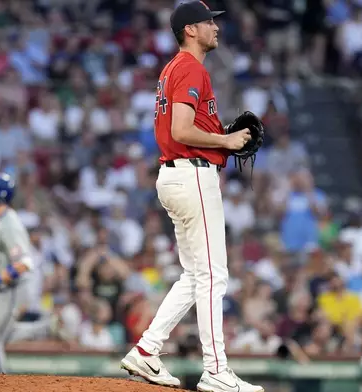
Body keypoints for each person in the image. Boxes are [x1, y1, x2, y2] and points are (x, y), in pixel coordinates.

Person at [119, 2, 261, 392]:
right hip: (191, 174)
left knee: (195, 275)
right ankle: (216, 371)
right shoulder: (190, 67)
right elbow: (181, 129)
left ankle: (147, 351)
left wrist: (222, 139)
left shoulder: (173, 68)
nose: (215, 27)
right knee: (214, 275)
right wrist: (224, 140)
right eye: (209, 21)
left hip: (179, 175)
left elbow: (185, 126)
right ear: (190, 30)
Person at [0, 173, 57, 374]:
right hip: (1, 286)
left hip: (11, 287)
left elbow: (24, 263)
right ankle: (43, 328)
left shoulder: (10, 223)